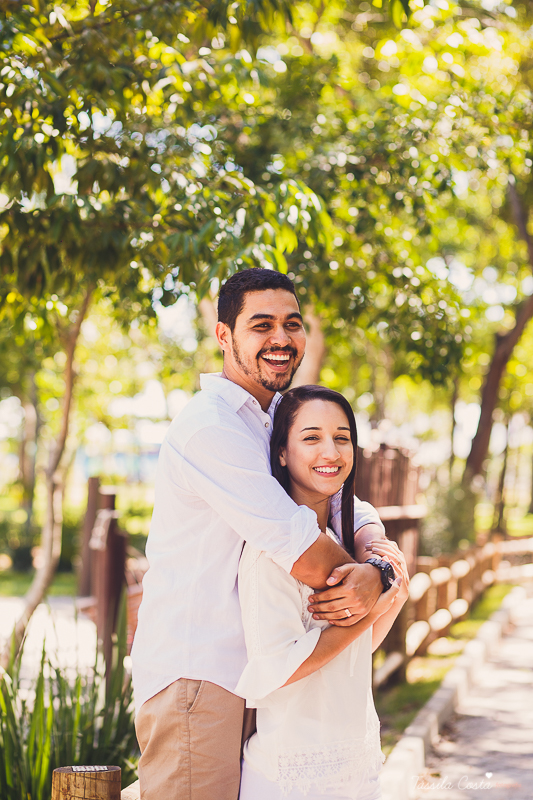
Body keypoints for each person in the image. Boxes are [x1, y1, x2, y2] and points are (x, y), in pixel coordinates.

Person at [131, 268, 391, 800]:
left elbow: (343, 499)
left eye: (292, 324)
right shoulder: (212, 427)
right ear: (224, 335)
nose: (281, 338)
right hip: (200, 676)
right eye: (261, 324)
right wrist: (378, 581)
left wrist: (380, 560)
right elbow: (301, 549)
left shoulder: (271, 419)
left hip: (256, 675)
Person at [237, 385, 409, 800]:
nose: (330, 452)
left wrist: (395, 598)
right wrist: (373, 606)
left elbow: (352, 653)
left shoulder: (340, 541)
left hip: (356, 760)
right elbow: (276, 669)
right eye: (311, 438)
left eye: (342, 437)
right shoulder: (272, 554)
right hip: (292, 772)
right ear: (281, 452)